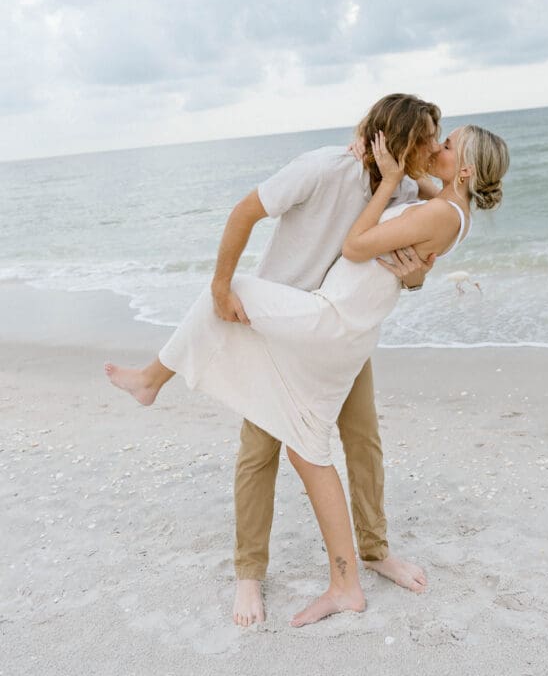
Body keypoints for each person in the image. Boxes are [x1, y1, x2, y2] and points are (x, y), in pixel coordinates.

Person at [106, 115, 509, 627]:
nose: (435, 145)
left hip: (330, 325)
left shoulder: (416, 194)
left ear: (467, 169)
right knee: (282, 446)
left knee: (344, 439)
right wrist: (396, 173)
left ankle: (364, 562)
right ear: (391, 137)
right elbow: (426, 213)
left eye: (444, 141)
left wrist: (413, 255)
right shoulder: (341, 170)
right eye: (430, 137)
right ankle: (273, 575)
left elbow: (367, 249)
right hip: (306, 317)